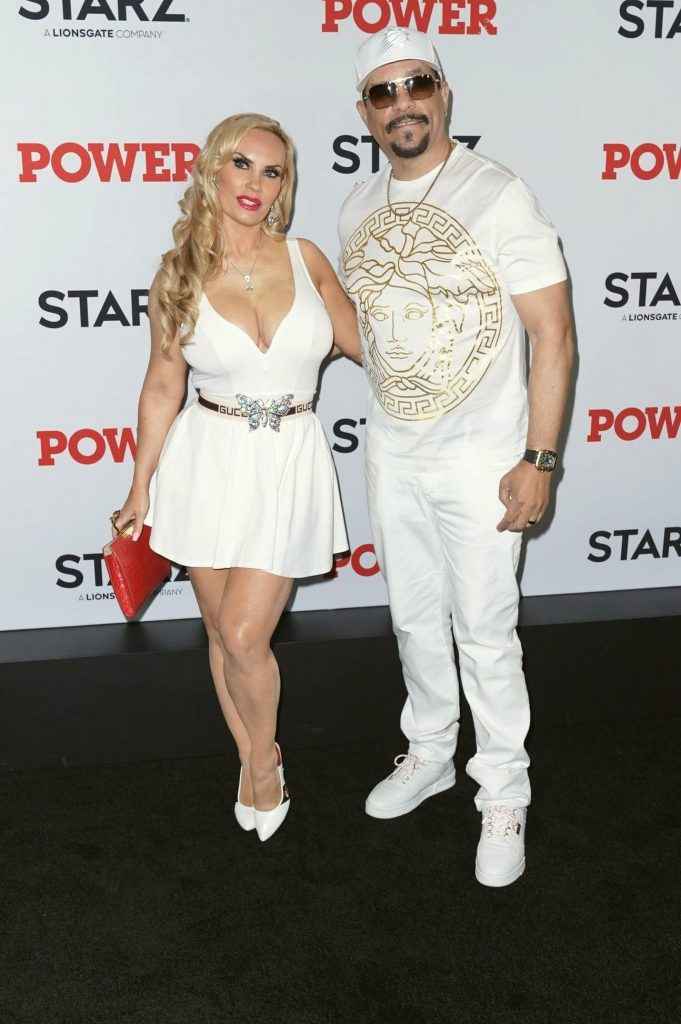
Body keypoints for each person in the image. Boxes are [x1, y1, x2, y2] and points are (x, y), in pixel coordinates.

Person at [339, 28, 574, 886]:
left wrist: (537, 458)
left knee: (484, 631)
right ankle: (431, 751)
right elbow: (372, 335)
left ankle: (503, 791)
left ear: (443, 94)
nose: (401, 102)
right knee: (412, 619)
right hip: (392, 451)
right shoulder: (356, 207)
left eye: (417, 83)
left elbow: (552, 335)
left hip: (481, 458)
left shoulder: (497, 193)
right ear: (364, 111)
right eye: (383, 91)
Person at [107, 113, 361, 843]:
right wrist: (140, 485)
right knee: (221, 631)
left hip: (288, 460)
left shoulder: (307, 259)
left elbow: (364, 344)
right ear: (213, 170)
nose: (255, 183)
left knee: (247, 633)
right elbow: (163, 385)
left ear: (285, 186)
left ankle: (261, 762)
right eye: (242, 164)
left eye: (272, 171)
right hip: (206, 459)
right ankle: (255, 759)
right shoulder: (178, 274)